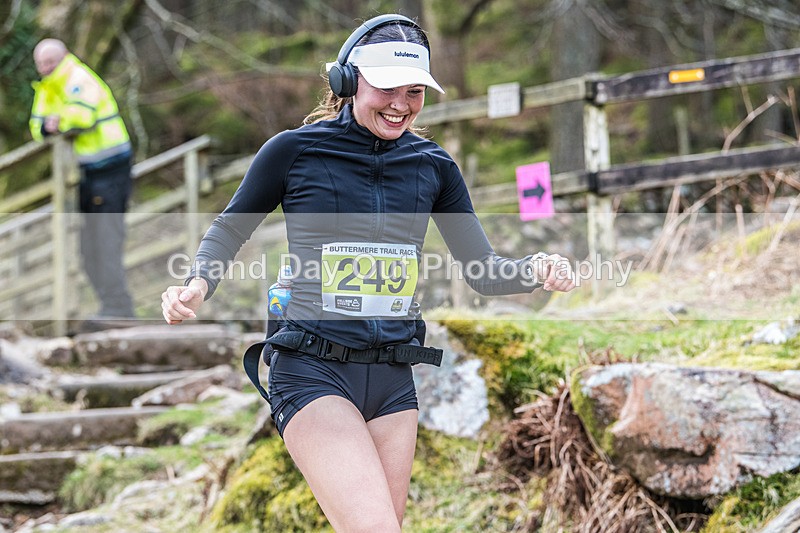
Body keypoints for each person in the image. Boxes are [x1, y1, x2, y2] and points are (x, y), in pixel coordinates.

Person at [161, 14, 575, 531]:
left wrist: (535, 268)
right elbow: (228, 230)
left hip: (392, 380)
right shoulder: (294, 151)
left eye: (414, 92)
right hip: (312, 368)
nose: (401, 104)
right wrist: (197, 283)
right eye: (386, 89)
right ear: (348, 82)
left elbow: (483, 270)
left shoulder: (434, 167)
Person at [29, 38, 135, 319]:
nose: (45, 69)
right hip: (86, 174)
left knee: (106, 241)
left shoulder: (79, 77)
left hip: (110, 169)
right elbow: (37, 125)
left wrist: (57, 122)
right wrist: (50, 124)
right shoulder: (47, 87)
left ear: (63, 57)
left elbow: (81, 117)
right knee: (88, 247)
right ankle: (110, 306)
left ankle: (118, 307)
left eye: (50, 63)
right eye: (41, 65)